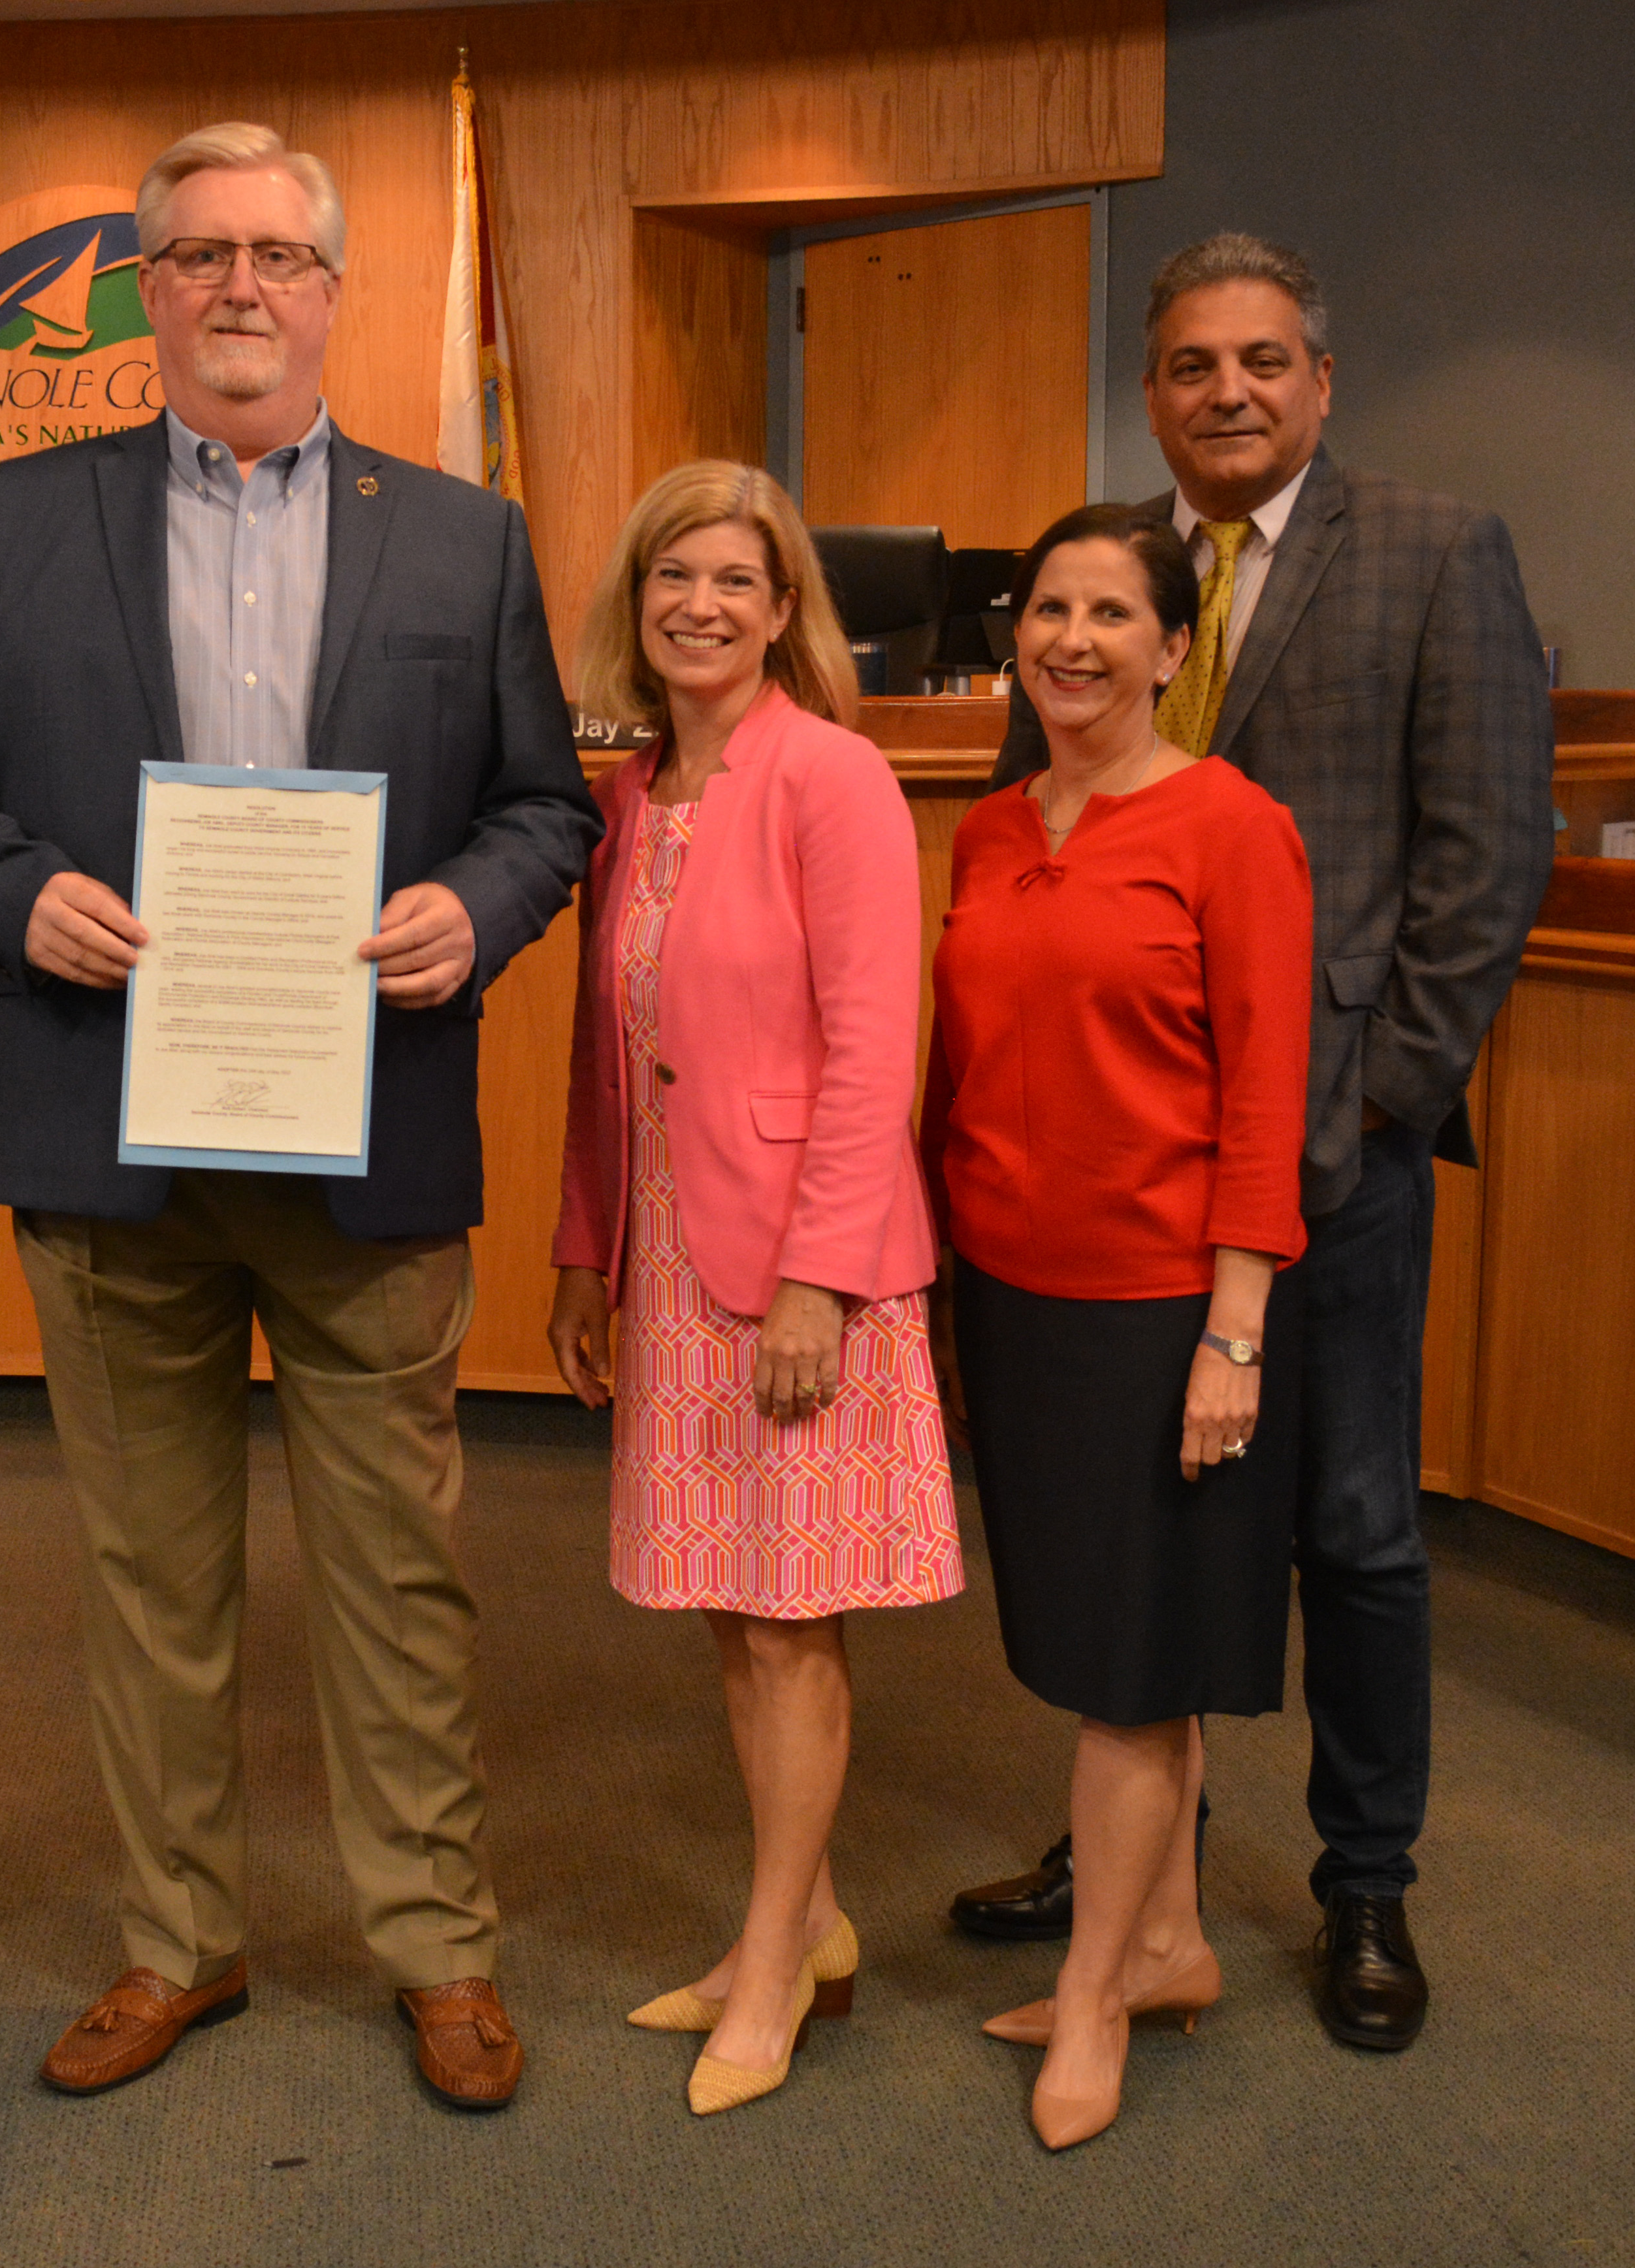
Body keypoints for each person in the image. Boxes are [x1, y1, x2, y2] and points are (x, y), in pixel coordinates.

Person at [0, 123, 598, 2109]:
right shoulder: (20, 521)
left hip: (369, 1135)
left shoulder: (464, 537)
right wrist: (20, 896)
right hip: (110, 1134)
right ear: (150, 295)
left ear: (336, 294)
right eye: (198, 256)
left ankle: (438, 1951)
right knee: (152, 1582)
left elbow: (550, 804)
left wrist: (481, 904)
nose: (241, 286)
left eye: (278, 253)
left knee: (399, 1580)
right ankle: (176, 1945)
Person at [951, 234, 1556, 2054]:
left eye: (1265, 361)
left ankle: (1364, 1880)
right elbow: (1036, 807)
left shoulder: (1439, 551)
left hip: (1337, 1160)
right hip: (1129, 1172)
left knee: (1354, 1524)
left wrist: (1369, 1107)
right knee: (1149, 1517)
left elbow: (1487, 859)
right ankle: (1133, 1867)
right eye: (1195, 364)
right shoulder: (1104, 572)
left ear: (1320, 378)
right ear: (1154, 391)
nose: (1230, 390)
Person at [545, 462, 960, 2117]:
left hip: (803, 1273)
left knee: (794, 1630)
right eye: (672, 579)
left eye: (735, 580)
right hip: (668, 1255)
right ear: (635, 605)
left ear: (785, 607)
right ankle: (812, 1916)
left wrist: (816, 1279)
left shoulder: (832, 774)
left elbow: (877, 1050)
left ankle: (774, 1951)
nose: (701, 606)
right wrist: (585, 1248)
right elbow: (607, 1051)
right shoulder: (635, 791)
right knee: (737, 1617)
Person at [928, 504, 1313, 2148]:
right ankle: (1164, 1939)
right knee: (1100, 1644)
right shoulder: (995, 827)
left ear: (1175, 646)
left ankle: (1093, 1996)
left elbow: (1266, 1093)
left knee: (1133, 1674)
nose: (1071, 639)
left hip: (1165, 1311)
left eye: (1110, 613)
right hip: (1011, 1295)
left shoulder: (1231, 825)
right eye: (1047, 610)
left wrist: (1234, 1332)